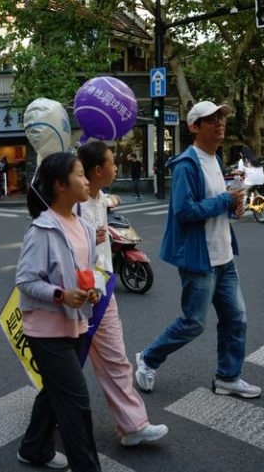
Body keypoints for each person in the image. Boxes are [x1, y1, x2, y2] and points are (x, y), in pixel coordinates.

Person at [135, 100, 262, 399]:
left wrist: (232, 208)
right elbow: (184, 211)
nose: (219, 123)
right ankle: (148, 358)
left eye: (221, 118)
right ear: (194, 127)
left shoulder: (215, 160)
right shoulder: (186, 164)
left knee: (236, 319)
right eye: (210, 120)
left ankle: (228, 377)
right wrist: (225, 202)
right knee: (193, 323)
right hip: (199, 259)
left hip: (224, 257)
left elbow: (216, 205)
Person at [77, 142, 168, 447]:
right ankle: (43, 424)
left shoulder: (100, 199)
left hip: (103, 291)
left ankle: (132, 426)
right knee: (65, 367)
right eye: (113, 163)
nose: (117, 167)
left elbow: (107, 203)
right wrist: (87, 238)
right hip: (77, 298)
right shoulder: (74, 206)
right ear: (98, 170)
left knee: (116, 359)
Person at [16, 152, 101, 471]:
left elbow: (83, 270)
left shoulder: (84, 225)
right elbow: (25, 280)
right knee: (76, 404)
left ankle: (33, 448)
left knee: (55, 392)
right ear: (60, 185)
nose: (86, 180)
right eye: (80, 175)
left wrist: (90, 291)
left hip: (76, 323)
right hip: (46, 332)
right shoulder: (42, 230)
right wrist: (60, 294)